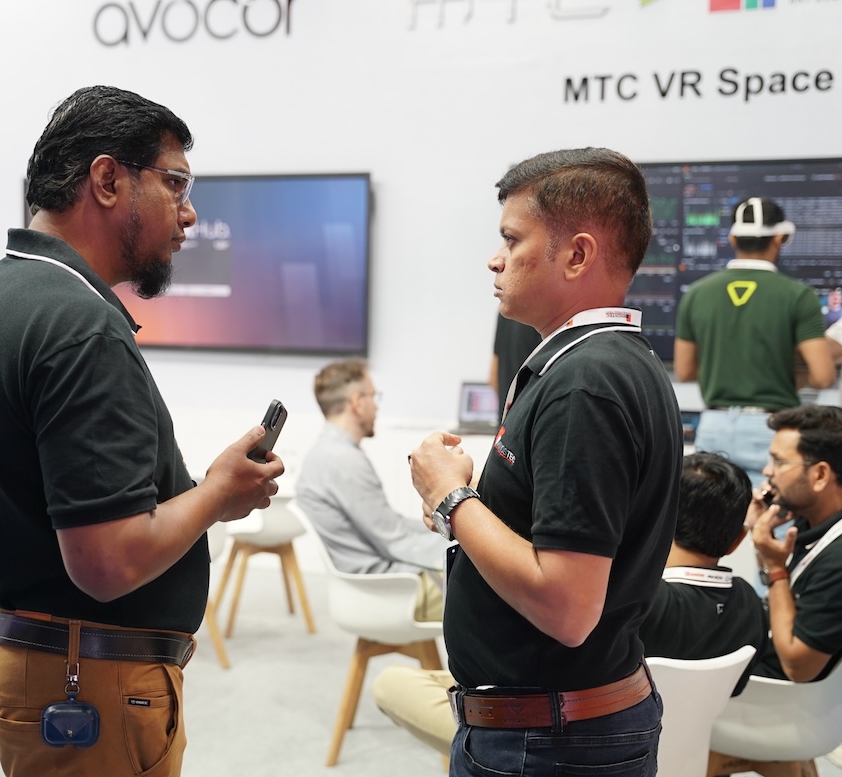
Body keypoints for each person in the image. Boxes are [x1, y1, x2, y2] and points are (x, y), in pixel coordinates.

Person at [0, 86, 284, 777]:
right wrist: (218, 493)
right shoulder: (79, 325)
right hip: (84, 687)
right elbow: (107, 563)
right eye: (175, 183)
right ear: (108, 179)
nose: (190, 212)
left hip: (24, 659)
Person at [408, 147, 682, 775]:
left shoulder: (585, 384)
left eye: (512, 239)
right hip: (559, 728)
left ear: (577, 255)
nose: (495, 258)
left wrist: (452, 498)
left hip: (549, 741)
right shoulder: (607, 363)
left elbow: (567, 606)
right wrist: (470, 505)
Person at [374, 450, 766, 755]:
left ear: (654, 515)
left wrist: (463, 504)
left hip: (551, 738)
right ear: (738, 540)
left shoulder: (625, 600)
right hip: (671, 750)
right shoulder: (749, 605)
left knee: (394, 683)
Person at [674, 197, 834, 487]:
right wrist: (790, 376)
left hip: (714, 426)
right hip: (773, 431)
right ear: (779, 238)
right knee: (771, 511)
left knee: (713, 513)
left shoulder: (696, 294)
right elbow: (823, 376)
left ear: (732, 238)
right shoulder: (799, 296)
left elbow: (684, 371)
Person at [295, 359, 448, 622]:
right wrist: (464, 540)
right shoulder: (343, 461)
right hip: (393, 591)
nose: (376, 406)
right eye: (373, 396)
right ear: (357, 402)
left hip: (375, 586)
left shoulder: (324, 453)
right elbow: (395, 541)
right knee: (496, 598)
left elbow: (391, 526)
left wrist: (445, 530)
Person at [749, 405, 842, 683]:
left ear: (820, 475)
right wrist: (763, 543)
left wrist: (776, 569)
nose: (767, 471)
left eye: (779, 462)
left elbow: (798, 667)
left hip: (777, 696)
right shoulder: (808, 522)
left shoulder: (837, 560)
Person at [489, 315, 541, 413]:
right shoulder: (546, 316)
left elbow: (493, 379)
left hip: (508, 416)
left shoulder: (505, 310)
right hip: (531, 415)